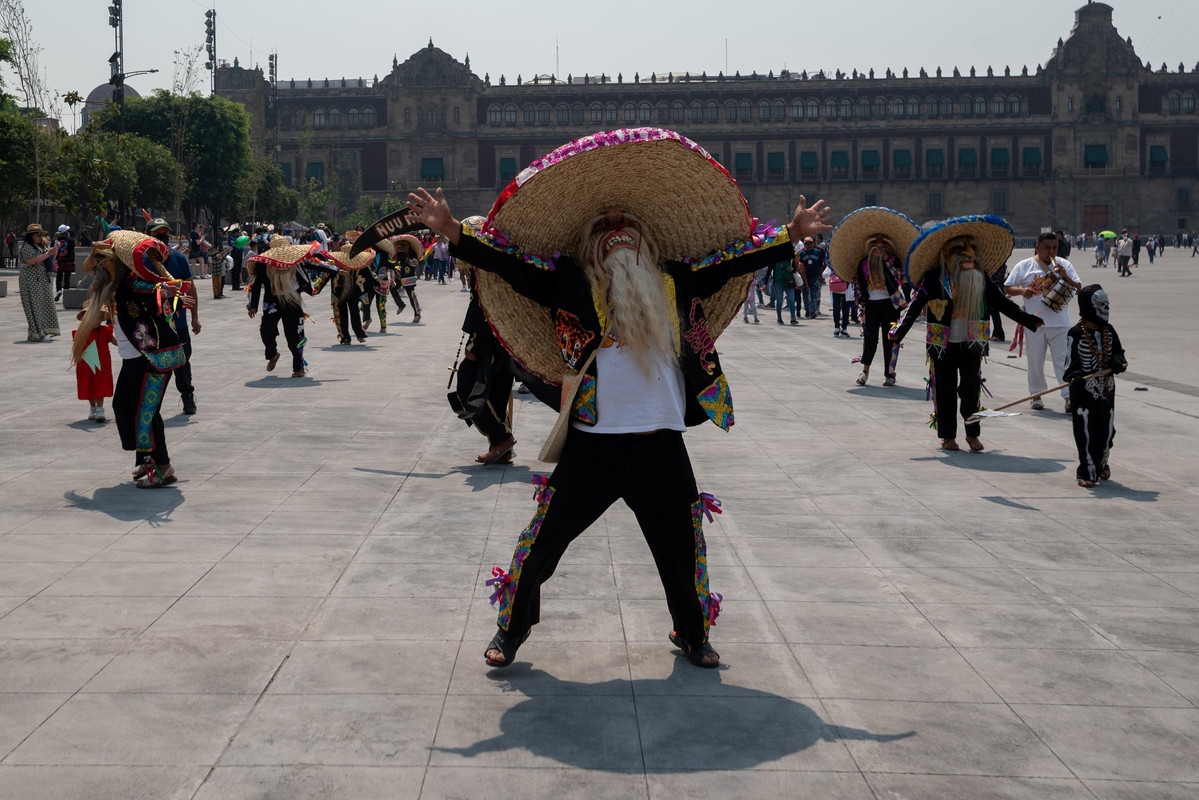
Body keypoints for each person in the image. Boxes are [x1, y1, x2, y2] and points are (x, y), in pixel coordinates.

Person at [408, 128, 831, 670]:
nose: (617, 232)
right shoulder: (567, 282)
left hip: (661, 446)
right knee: (541, 544)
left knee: (683, 549)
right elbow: (511, 268)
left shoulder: (676, 281)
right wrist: (452, 233)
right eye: (604, 230)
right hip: (594, 447)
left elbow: (733, 261)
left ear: (644, 241)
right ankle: (510, 631)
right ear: (592, 247)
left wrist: (790, 234)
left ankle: (693, 633)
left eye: (627, 227)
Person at [892, 216, 1044, 452]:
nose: (968, 253)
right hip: (942, 344)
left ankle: (972, 434)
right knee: (945, 389)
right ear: (946, 254)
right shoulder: (934, 278)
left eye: (972, 248)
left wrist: (1029, 320)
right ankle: (948, 436)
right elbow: (914, 305)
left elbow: (1003, 303)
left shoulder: (981, 277)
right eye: (959, 249)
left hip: (972, 342)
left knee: (971, 390)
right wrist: (898, 331)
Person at [73, 230, 193, 487]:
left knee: (147, 413)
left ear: (114, 262)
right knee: (123, 407)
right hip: (133, 357)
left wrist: (168, 291)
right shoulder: (110, 287)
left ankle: (162, 466)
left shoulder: (131, 282)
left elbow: (154, 288)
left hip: (152, 357)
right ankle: (145, 459)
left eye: (103, 261)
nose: (99, 266)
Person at [451, 218, 519, 465]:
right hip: (506, 340)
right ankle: (503, 449)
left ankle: (501, 439)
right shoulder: (497, 266)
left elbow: (484, 310)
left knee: (468, 388)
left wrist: (473, 345)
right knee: (497, 393)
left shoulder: (485, 272)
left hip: (490, 342)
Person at [828, 207, 920, 387]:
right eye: (875, 246)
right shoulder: (863, 264)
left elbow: (902, 280)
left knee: (892, 339)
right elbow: (857, 284)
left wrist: (887, 263)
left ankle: (890, 373)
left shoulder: (893, 262)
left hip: (891, 305)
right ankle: (865, 371)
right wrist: (861, 299)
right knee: (870, 338)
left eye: (882, 246)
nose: (879, 248)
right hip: (870, 305)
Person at [1005, 232, 1082, 411]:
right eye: (1047, 248)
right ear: (1037, 247)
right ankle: (1036, 395)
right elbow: (1007, 287)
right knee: (1035, 361)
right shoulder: (1024, 266)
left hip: (1060, 322)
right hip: (1034, 322)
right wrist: (1023, 291)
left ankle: (1068, 396)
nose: (1051, 252)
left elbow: (1078, 289)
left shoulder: (1065, 265)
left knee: (1063, 362)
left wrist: (1065, 276)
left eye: (1054, 248)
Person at [1063, 285, 1127, 487]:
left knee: (1107, 431)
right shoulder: (1075, 333)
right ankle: (1087, 471)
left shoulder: (1109, 331)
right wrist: (1074, 376)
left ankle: (1101, 463)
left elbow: (1119, 353)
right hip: (1083, 392)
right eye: (1101, 304)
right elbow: (1069, 363)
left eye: (1106, 304)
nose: (1105, 308)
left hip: (1106, 390)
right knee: (1086, 432)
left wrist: (1118, 361)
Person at [247, 234, 333, 377]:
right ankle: (272, 354)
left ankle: (298, 367)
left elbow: (317, 264)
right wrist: (252, 305)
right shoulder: (264, 263)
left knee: (295, 334)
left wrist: (337, 270)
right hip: (272, 303)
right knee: (266, 331)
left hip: (292, 300)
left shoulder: (296, 260)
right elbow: (255, 285)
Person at [146, 219, 200, 415]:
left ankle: (187, 397)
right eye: (158, 234)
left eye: (165, 234)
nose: (163, 238)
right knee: (153, 365)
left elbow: (191, 289)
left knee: (182, 362)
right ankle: (151, 402)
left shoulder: (179, 259)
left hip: (178, 322)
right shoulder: (141, 261)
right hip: (153, 323)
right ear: (148, 237)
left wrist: (194, 317)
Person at [72, 300, 115, 422]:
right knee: (89, 384)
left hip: (102, 363)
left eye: (99, 318)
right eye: (93, 318)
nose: (97, 321)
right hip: (86, 364)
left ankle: (100, 409)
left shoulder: (105, 331)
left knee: (100, 384)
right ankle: (92, 408)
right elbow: (77, 349)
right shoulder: (81, 333)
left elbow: (115, 342)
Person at [327, 243, 377, 344]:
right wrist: (315, 289)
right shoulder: (334, 264)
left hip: (353, 292)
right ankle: (345, 337)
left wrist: (380, 283)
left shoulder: (359, 264)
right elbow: (325, 275)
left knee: (355, 313)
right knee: (342, 315)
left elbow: (370, 276)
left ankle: (360, 335)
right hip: (339, 293)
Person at [17, 223, 61, 342]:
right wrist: (48, 253)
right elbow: (33, 261)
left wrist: (54, 250)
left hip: (42, 280)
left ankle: (46, 331)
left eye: (41, 234)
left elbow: (49, 258)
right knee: (35, 306)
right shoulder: (27, 247)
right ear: (31, 236)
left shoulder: (40, 246)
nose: (41, 237)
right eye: (38, 234)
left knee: (45, 304)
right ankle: (38, 333)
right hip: (30, 281)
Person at [796, 235, 826, 318]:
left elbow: (821, 265)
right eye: (807, 244)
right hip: (805, 277)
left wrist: (821, 276)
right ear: (804, 245)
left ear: (813, 244)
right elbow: (798, 265)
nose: (809, 245)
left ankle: (813, 311)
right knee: (805, 294)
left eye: (810, 243)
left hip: (815, 276)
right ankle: (807, 310)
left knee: (814, 294)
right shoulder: (801, 253)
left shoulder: (818, 252)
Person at [824, 261, 849, 336]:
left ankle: (844, 328)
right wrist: (833, 271)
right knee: (836, 309)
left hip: (847, 292)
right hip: (836, 291)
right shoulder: (832, 265)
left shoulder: (849, 266)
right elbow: (824, 275)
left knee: (846, 310)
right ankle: (837, 327)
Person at [773, 254, 799, 325]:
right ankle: (779, 318)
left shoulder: (790, 258)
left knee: (791, 300)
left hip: (789, 281)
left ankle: (793, 318)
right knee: (779, 300)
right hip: (778, 282)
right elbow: (770, 270)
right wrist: (765, 283)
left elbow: (794, 270)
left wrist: (792, 269)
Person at [54, 228, 76, 299]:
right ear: (66, 232)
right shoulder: (71, 241)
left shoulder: (55, 241)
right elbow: (73, 249)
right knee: (67, 278)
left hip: (59, 262)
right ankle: (66, 293)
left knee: (59, 278)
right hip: (68, 262)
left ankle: (59, 290)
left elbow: (53, 250)